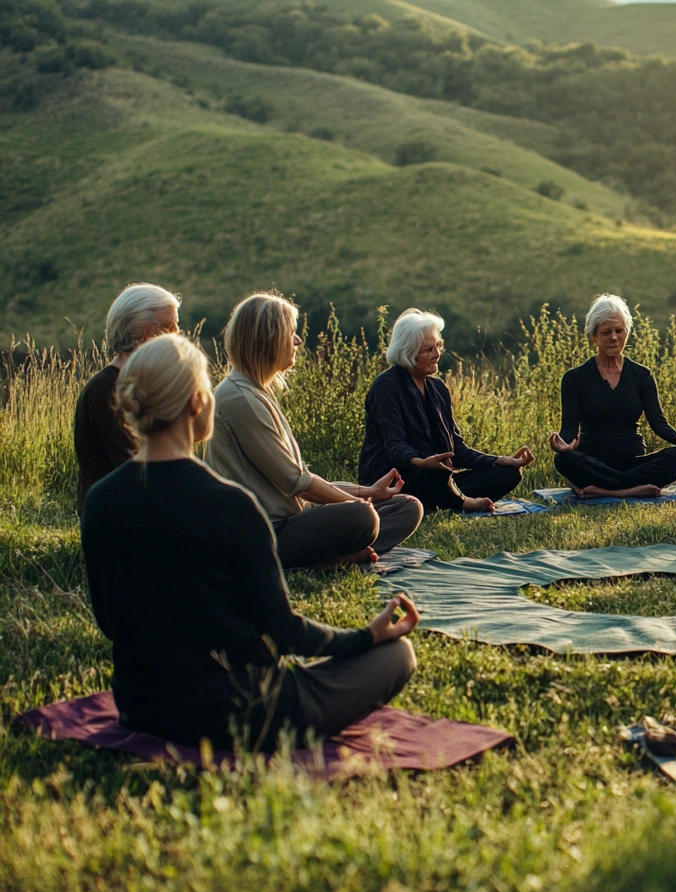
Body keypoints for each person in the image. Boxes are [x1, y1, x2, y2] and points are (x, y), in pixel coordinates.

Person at [82, 334, 419, 752]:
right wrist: (365, 637)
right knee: (398, 655)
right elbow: (283, 634)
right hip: (243, 716)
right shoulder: (232, 507)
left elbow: (110, 623)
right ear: (195, 403)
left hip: (141, 708)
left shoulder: (100, 502)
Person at [205, 292, 422, 569]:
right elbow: (297, 482)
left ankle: (338, 554)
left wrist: (366, 492)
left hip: (292, 516)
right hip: (263, 533)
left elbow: (300, 481)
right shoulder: (239, 398)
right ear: (269, 338)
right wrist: (357, 505)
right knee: (362, 518)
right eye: (291, 333)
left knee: (407, 507)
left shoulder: (255, 392)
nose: (298, 341)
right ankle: (329, 558)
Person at [360, 309, 532, 514]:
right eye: (428, 350)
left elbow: (457, 450)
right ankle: (456, 500)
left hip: (438, 478)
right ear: (408, 352)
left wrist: (499, 460)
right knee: (434, 475)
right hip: (397, 478)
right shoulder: (387, 386)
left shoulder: (438, 388)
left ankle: (440, 500)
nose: (437, 354)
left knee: (509, 474)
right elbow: (395, 446)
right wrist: (422, 463)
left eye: (438, 346)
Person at [549, 295, 676, 498]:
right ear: (594, 335)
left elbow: (659, 423)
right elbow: (568, 429)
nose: (614, 337)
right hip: (594, 463)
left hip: (633, 461)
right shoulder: (574, 378)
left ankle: (606, 490)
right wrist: (562, 445)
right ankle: (633, 489)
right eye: (606, 332)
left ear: (626, 332)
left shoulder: (642, 375)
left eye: (619, 331)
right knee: (563, 460)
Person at [74, 283, 180, 517]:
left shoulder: (140, 383)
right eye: (169, 327)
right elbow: (133, 469)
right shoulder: (108, 390)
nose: (177, 337)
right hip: (115, 518)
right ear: (143, 333)